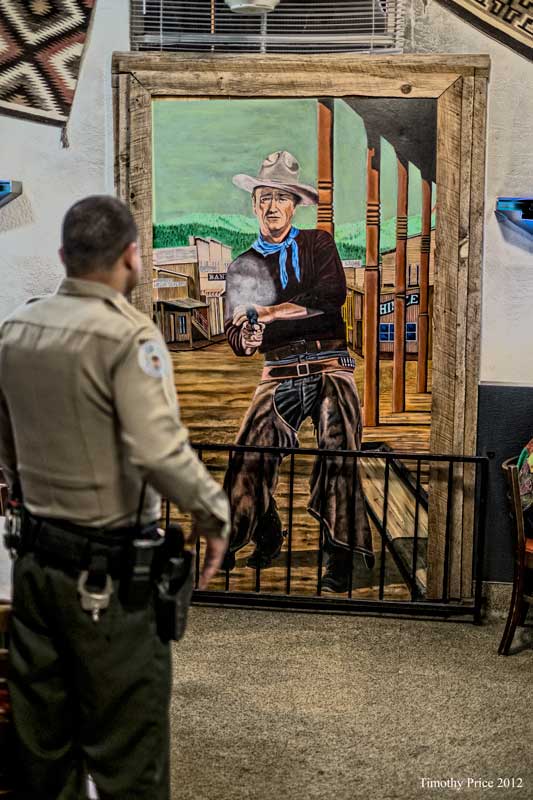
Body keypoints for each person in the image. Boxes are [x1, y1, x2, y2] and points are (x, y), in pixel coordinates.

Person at [0, 195, 230, 800]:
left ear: (63, 257)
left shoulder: (16, 330)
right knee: (129, 759)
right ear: (132, 257)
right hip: (108, 581)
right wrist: (213, 514)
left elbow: (6, 442)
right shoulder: (128, 338)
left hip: (34, 569)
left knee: (42, 756)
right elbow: (159, 453)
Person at [222, 150, 373, 592]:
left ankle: (339, 555)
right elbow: (235, 334)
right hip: (277, 371)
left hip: (330, 365)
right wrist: (247, 339)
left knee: (339, 449)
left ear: (294, 205)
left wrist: (268, 314)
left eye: (281, 198)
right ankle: (262, 531)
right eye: (265, 197)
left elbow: (330, 297)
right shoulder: (241, 266)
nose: (272, 206)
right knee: (249, 452)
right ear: (254, 204)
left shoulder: (318, 244)